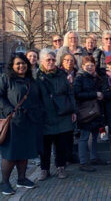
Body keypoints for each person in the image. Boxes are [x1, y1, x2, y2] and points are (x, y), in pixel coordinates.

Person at [0, 53, 44, 194]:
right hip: (13, 121)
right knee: (11, 154)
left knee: (25, 151)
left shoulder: (31, 80)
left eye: (23, 63)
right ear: (12, 66)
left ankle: (22, 178)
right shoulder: (6, 78)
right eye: (18, 63)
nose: (21, 66)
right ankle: (5, 182)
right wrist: (9, 111)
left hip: (29, 121)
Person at [36, 49, 76, 181]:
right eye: (48, 60)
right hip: (45, 115)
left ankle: (61, 167)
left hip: (62, 114)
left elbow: (70, 93)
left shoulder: (61, 74)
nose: (51, 62)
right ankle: (44, 169)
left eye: (53, 60)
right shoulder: (37, 76)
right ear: (42, 61)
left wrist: (73, 110)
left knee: (61, 143)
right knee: (45, 145)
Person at [73, 56, 105, 172]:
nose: (90, 67)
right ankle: (83, 162)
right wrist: (94, 94)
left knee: (95, 136)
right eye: (88, 65)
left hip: (95, 110)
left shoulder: (96, 77)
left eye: (92, 65)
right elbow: (77, 94)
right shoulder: (79, 78)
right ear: (82, 66)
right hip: (85, 111)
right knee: (84, 137)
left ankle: (94, 157)